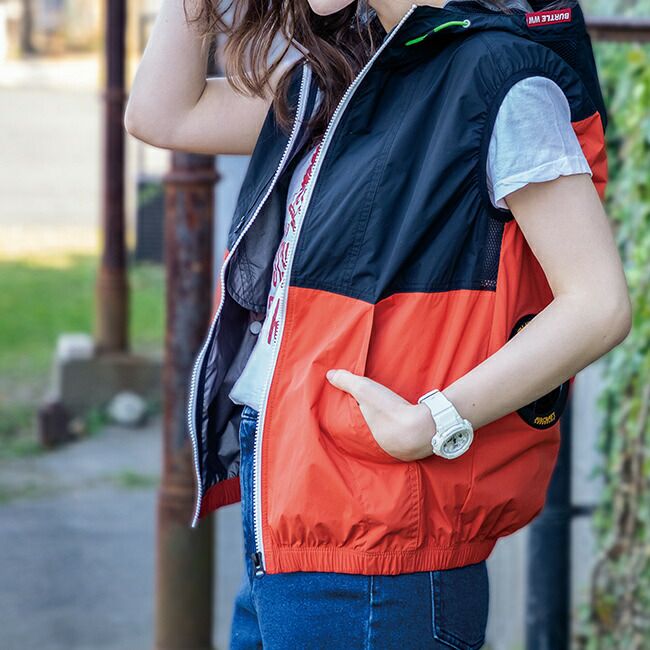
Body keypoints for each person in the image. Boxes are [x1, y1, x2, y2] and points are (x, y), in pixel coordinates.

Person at [125, 0, 632, 647]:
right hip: (291, 515)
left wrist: (434, 421)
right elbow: (160, 113)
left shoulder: (501, 78)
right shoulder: (348, 71)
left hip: (380, 549)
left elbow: (597, 304)